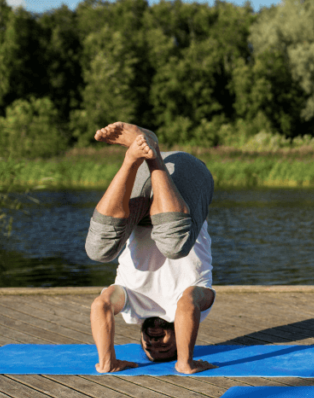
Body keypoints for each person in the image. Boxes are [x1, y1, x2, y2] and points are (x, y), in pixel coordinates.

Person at [85, 122, 217, 374]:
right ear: (180, 338)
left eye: (149, 348)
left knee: (98, 250)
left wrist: (107, 362)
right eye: (165, 348)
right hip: (186, 178)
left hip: (141, 199)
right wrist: (185, 363)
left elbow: (99, 306)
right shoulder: (196, 300)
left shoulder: (132, 309)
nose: (155, 342)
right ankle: (152, 151)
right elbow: (187, 306)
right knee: (175, 245)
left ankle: (133, 157)